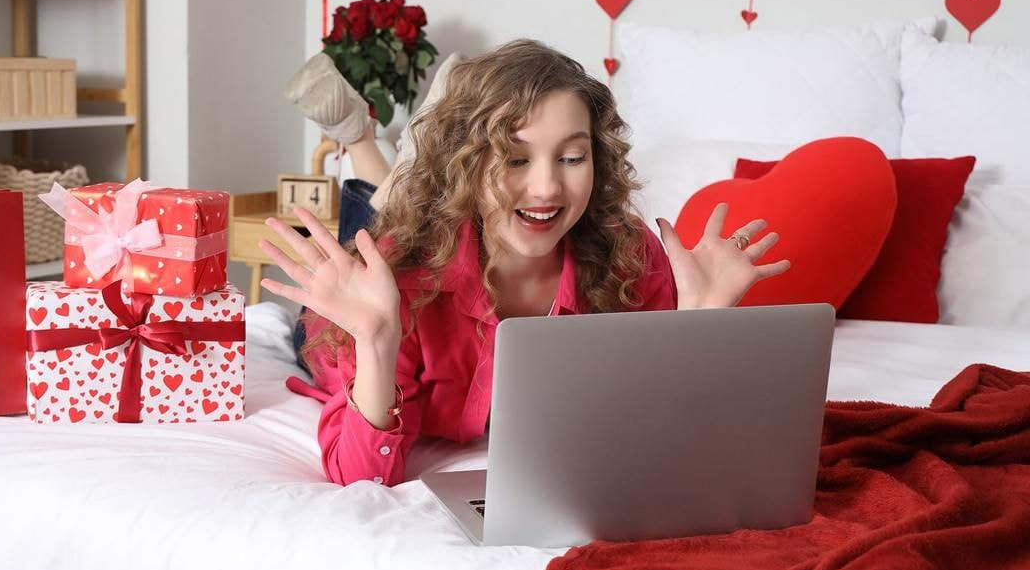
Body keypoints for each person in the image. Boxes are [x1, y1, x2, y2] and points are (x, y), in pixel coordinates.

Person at [266, 40, 789, 487]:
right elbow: (361, 479)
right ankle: (360, 137)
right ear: (468, 166)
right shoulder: (399, 280)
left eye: (572, 157)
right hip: (350, 322)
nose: (546, 188)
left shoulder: (631, 258)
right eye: (515, 158)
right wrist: (376, 340)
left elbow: (663, 439)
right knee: (374, 219)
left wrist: (699, 322)